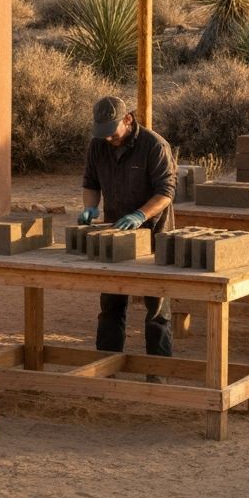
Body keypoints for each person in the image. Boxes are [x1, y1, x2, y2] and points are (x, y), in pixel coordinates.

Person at [79, 95, 177, 374]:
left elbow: (165, 193)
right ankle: (106, 367)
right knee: (111, 303)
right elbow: (90, 182)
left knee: (157, 308)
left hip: (155, 236)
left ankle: (158, 373)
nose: (108, 138)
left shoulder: (154, 146)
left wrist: (140, 216)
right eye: (103, 133)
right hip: (116, 236)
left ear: (128, 119)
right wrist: (89, 208)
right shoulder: (98, 145)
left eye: (112, 132)